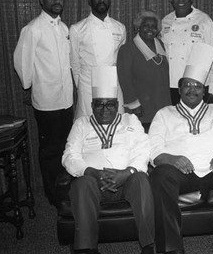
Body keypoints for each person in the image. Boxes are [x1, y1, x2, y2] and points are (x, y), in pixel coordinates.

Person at [149, 43, 213, 254]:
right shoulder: (164, 114)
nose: (192, 89)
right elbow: (152, 148)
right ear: (179, 89)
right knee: (160, 175)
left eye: (197, 85)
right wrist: (170, 158)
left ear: (204, 91)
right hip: (182, 174)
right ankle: (171, 248)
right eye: (187, 85)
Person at [62, 66, 155, 254]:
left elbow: (144, 149)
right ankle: (87, 248)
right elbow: (69, 156)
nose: (105, 109)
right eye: (99, 104)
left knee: (142, 180)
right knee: (81, 185)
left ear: (117, 104)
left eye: (110, 104)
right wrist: (93, 173)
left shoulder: (130, 121)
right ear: (92, 105)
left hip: (127, 181)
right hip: (93, 184)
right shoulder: (81, 124)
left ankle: (148, 246)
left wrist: (127, 172)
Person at [13, 0, 73, 205]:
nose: (56, 1)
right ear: (41, 0)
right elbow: (21, 61)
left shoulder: (64, 28)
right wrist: (28, 86)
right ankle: (52, 193)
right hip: (46, 100)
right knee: (50, 150)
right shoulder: (32, 29)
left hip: (66, 99)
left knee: (65, 146)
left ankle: (65, 188)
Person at [160, 0, 213, 104]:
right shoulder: (165, 21)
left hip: (195, 84)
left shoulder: (204, 20)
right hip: (170, 84)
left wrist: (210, 87)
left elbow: (212, 56)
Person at [70, 0, 127, 120]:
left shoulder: (120, 28)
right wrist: (82, 88)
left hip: (113, 85)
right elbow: (74, 63)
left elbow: (121, 61)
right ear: (89, 1)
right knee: (87, 127)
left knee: (116, 127)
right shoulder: (77, 29)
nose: (101, 0)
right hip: (88, 87)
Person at [117, 10, 171, 131]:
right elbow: (125, 80)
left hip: (162, 103)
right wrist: (134, 105)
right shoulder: (127, 49)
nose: (150, 29)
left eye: (153, 26)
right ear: (138, 28)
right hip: (142, 107)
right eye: (146, 26)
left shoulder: (161, 45)